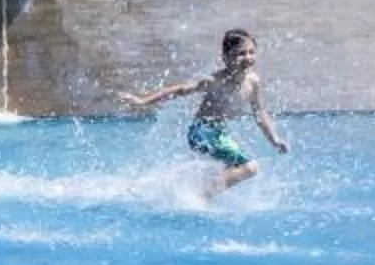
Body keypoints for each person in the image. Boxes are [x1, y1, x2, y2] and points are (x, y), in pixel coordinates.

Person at [120, 28, 290, 192]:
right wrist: (143, 101)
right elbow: (180, 89)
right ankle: (201, 194)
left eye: (251, 52)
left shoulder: (253, 82)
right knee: (250, 167)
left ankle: (172, 187)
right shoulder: (216, 81)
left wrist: (274, 139)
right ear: (225, 58)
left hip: (219, 133)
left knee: (235, 169)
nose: (247, 58)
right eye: (240, 54)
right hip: (202, 132)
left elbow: (259, 113)